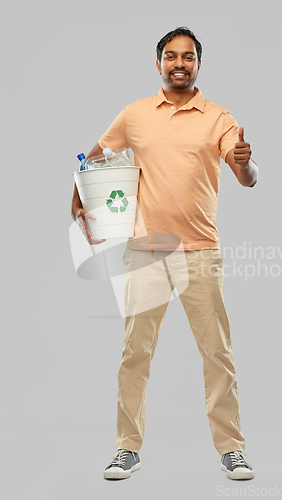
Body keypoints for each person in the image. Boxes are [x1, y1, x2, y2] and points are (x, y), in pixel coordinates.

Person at [71, 27, 258, 481]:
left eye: (188, 56)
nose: (180, 63)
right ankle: (126, 448)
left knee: (217, 353)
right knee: (136, 352)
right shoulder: (134, 115)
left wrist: (244, 161)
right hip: (146, 251)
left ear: (198, 64)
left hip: (201, 251)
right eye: (171, 56)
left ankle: (231, 449)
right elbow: (94, 158)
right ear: (158, 64)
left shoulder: (218, 118)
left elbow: (248, 178)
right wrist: (78, 201)